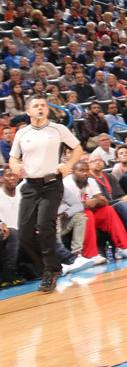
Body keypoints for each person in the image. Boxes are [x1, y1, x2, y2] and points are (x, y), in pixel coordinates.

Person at [9, 94, 83, 293]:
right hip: (30, 186)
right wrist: (15, 166)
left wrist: (68, 164)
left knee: (44, 226)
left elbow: (78, 149)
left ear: (47, 109)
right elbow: (13, 158)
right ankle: (49, 268)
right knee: (24, 234)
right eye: (36, 105)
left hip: (51, 184)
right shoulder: (22, 133)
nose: (40, 108)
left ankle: (50, 271)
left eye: (43, 105)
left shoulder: (58, 129)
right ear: (28, 111)